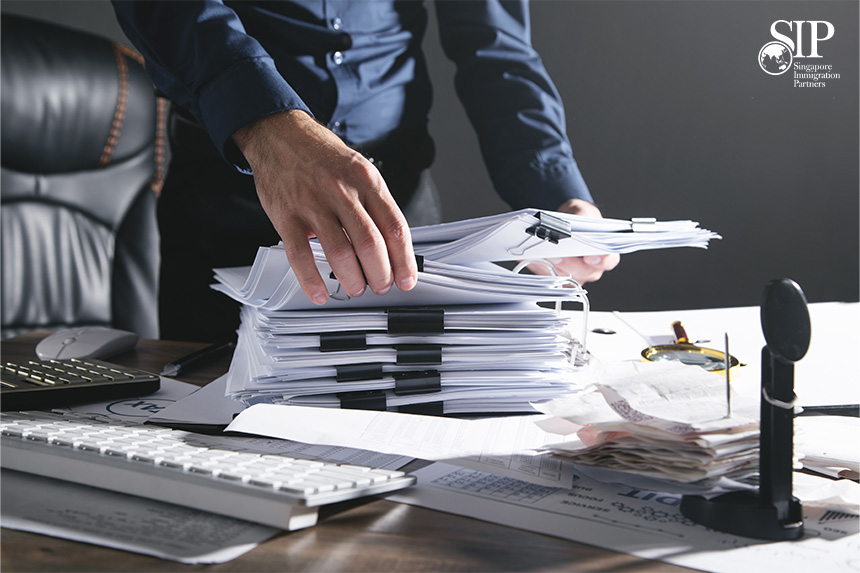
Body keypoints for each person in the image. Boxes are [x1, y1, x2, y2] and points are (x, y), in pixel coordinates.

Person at [112, 0, 619, 342]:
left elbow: (496, 43)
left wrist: (553, 192)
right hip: (232, 198)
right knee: (219, 440)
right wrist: (266, 125)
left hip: (401, 206)